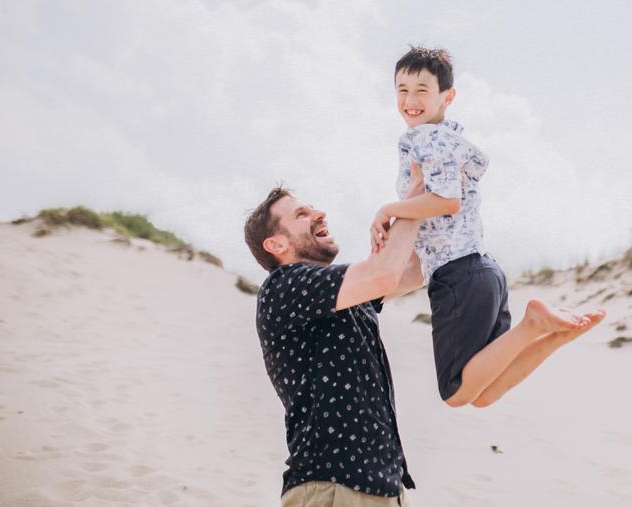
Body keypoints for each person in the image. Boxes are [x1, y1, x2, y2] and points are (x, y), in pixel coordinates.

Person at [370, 46, 606, 408]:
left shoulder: (425, 139)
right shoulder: (451, 139)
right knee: (482, 393)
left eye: (421, 90)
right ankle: (551, 336)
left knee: (454, 392)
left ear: (447, 97)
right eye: (402, 90)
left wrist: (389, 208)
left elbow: (448, 200)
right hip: (484, 271)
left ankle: (532, 325)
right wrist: (373, 296)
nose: (410, 100)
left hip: (459, 278)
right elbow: (423, 256)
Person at [245, 182, 425, 506]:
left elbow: (412, 273)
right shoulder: (282, 287)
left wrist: (435, 196)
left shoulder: (345, 299)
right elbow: (383, 274)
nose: (319, 213)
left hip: (383, 487)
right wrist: (414, 196)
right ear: (275, 243)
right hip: (332, 488)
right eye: (302, 214)